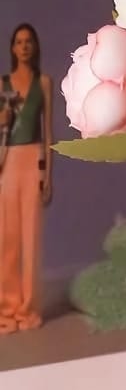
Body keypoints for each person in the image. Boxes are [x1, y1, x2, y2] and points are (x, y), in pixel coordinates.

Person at [0, 23, 52, 333]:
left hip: (33, 160)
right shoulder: (2, 84)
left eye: (28, 41)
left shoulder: (43, 82)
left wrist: (48, 175)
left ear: (34, 46)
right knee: (7, 238)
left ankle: (28, 308)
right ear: (12, 48)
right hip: (7, 164)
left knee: (31, 238)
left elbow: (48, 134)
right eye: (18, 42)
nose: (23, 46)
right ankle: (6, 308)